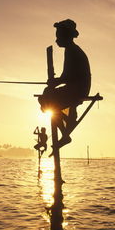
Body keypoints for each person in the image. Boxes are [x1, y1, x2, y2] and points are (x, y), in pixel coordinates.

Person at [39, 19, 91, 148]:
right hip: (76, 87)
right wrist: (55, 82)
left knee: (47, 98)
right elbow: (67, 77)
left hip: (78, 89)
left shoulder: (72, 51)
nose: (57, 38)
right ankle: (67, 126)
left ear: (66, 36)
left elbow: (67, 76)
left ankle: (67, 125)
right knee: (46, 96)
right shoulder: (71, 50)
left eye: (59, 35)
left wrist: (54, 82)